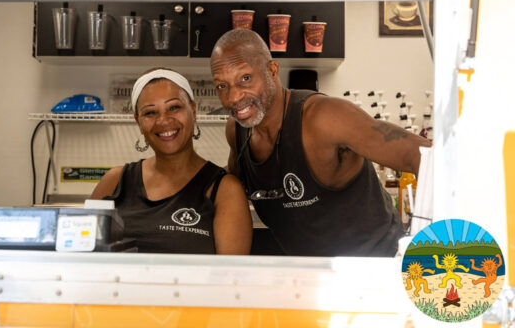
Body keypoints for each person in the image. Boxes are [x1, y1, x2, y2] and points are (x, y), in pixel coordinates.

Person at [209, 29, 432, 257]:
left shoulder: (324, 118)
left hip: (378, 268)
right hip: (312, 278)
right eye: (222, 86)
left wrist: (436, 246)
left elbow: (422, 155)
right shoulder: (237, 131)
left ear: (272, 70)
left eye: (245, 78)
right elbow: (231, 185)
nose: (234, 97)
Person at [91, 68, 252, 255]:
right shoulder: (114, 182)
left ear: (193, 110)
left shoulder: (224, 190)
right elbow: (81, 256)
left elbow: (231, 277)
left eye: (174, 107)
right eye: (150, 113)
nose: (163, 120)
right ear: (139, 122)